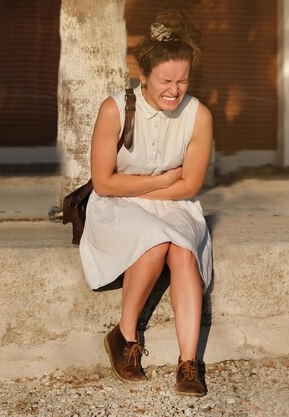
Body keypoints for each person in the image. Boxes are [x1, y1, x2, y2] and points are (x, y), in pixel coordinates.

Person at [78, 7, 212, 397]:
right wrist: (165, 178)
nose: (174, 90)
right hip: (117, 206)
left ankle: (188, 363)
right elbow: (104, 183)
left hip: (175, 203)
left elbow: (189, 188)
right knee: (154, 240)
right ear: (144, 77)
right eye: (165, 81)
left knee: (183, 249)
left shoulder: (199, 116)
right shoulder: (114, 108)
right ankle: (124, 336)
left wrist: (150, 184)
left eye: (182, 81)